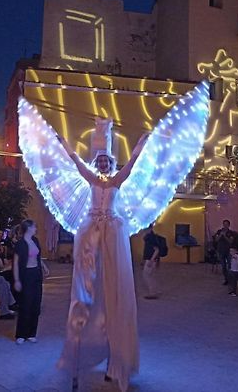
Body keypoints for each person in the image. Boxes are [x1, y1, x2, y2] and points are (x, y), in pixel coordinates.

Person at [57, 134, 149, 392]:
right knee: (86, 287)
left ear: (111, 163)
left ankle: (117, 363)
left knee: (115, 289)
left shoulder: (118, 180)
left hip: (111, 232)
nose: (104, 165)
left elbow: (132, 163)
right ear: (97, 163)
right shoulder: (90, 178)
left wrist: (141, 143)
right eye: (100, 161)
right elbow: (75, 161)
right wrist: (65, 143)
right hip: (92, 231)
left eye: (107, 161)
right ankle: (80, 353)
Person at [13, 219, 49, 344]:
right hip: (26, 275)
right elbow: (16, 263)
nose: (36, 229)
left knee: (36, 303)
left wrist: (44, 267)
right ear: (28, 228)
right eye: (34, 227)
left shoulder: (35, 241)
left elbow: (37, 257)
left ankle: (31, 333)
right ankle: (21, 334)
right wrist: (17, 280)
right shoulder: (20, 244)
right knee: (25, 304)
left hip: (36, 274)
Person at [142, 225, 161, 299]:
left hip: (150, 260)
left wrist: (151, 260)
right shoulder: (150, 236)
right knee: (150, 275)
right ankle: (155, 291)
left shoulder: (151, 237)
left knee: (146, 275)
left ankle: (152, 293)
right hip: (151, 259)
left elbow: (156, 250)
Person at [214, 219, 235, 285]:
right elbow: (216, 240)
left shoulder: (231, 232)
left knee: (229, 266)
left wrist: (225, 236)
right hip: (220, 251)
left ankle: (230, 279)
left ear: (229, 225)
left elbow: (230, 241)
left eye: (226, 224)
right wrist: (221, 235)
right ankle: (226, 279)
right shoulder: (219, 231)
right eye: (224, 224)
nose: (225, 226)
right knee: (223, 266)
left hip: (228, 251)